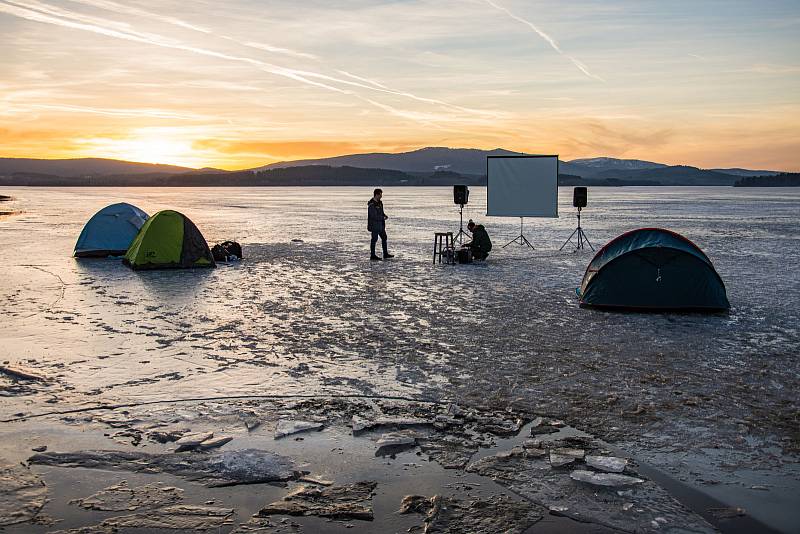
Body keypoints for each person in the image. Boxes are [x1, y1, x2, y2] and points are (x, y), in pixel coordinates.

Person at [367, 188, 394, 260]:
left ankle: (385, 254)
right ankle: (372, 255)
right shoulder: (371, 205)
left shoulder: (380, 203)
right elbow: (373, 216)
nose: (381, 196)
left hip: (381, 225)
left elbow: (381, 212)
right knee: (374, 240)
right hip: (374, 225)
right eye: (380, 195)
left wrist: (384, 215)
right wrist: (382, 218)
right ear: (376, 194)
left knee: (384, 238)